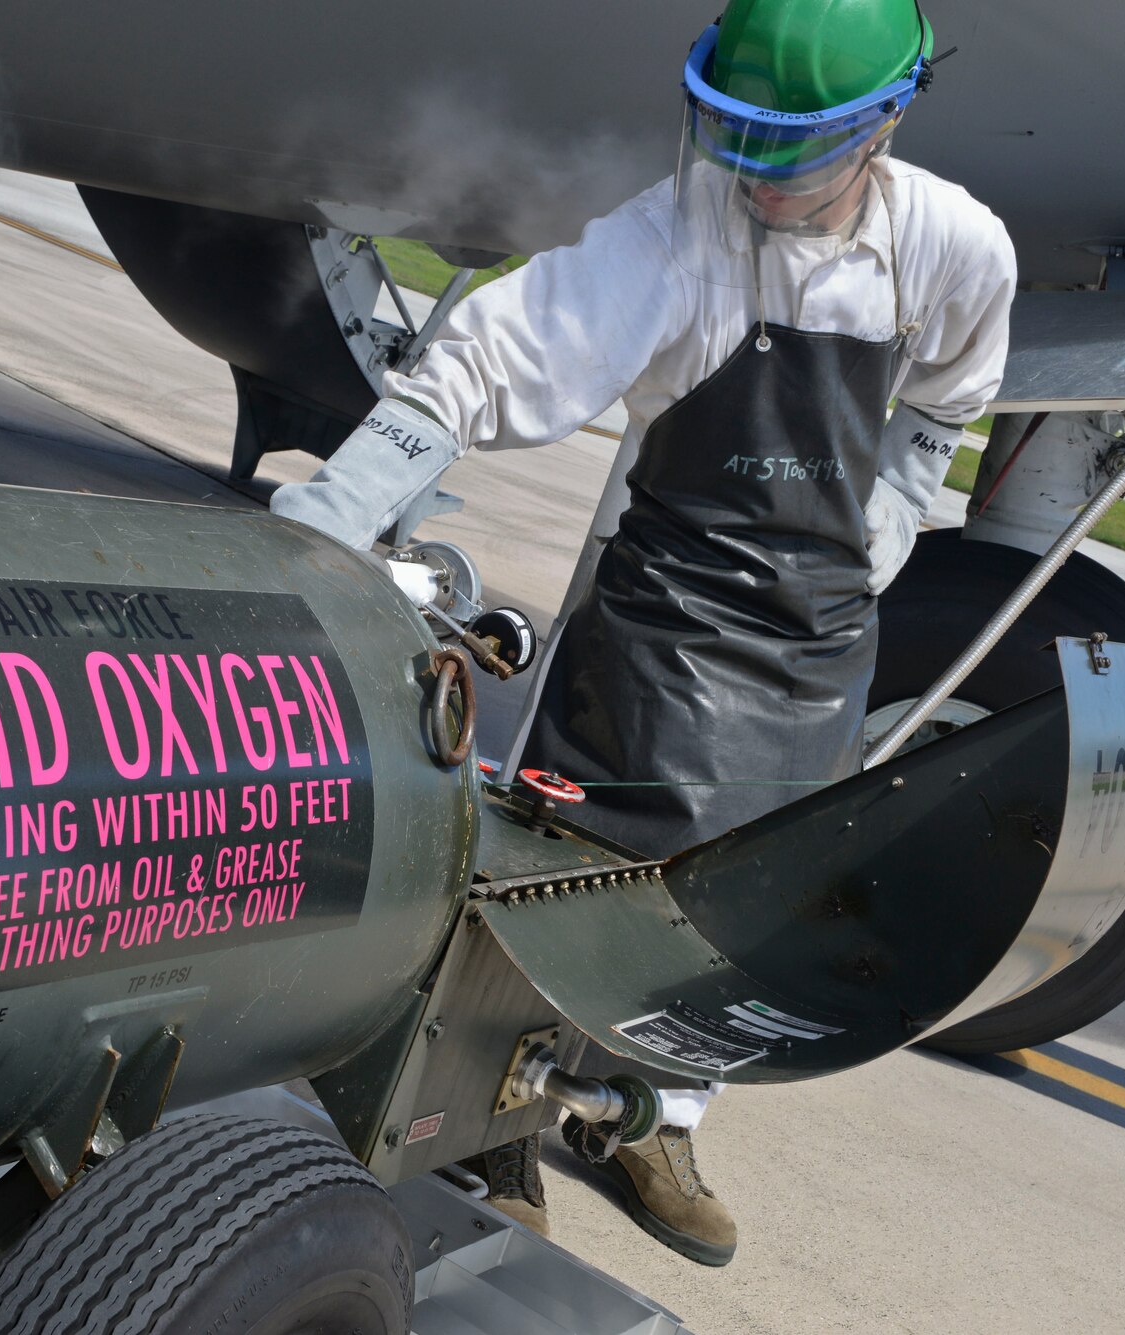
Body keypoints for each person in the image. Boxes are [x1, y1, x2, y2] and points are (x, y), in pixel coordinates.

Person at [272, 0, 1016, 1266]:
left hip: (815, 639)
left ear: (884, 123)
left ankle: (649, 1123)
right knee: (561, 877)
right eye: (737, 141)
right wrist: (339, 510)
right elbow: (483, 361)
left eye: (792, 156)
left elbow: (951, 396)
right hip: (661, 616)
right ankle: (490, 1121)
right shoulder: (679, 237)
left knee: (744, 913)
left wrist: (887, 523)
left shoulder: (952, 246)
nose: (760, 186)